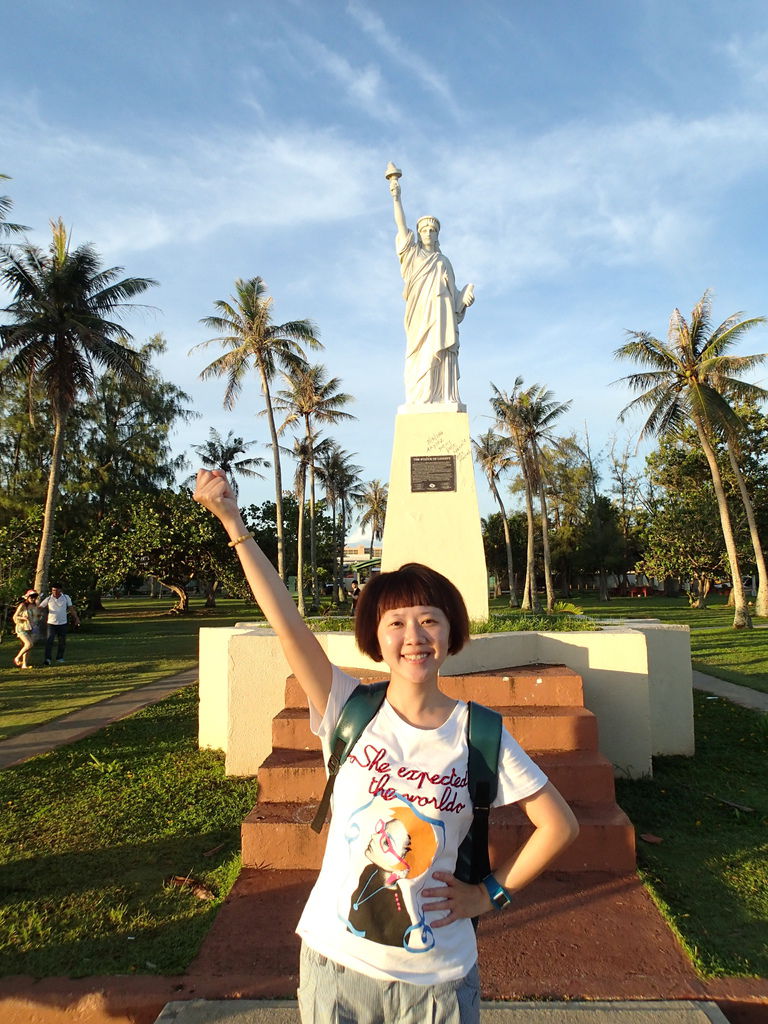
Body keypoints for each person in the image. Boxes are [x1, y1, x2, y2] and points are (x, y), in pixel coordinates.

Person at [194, 468, 579, 1024]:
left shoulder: (480, 733)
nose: (414, 637)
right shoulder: (347, 707)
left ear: (451, 633)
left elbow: (560, 825)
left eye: (429, 620)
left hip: (439, 981)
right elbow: (286, 624)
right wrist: (234, 523)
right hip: (336, 967)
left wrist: (489, 895)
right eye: (395, 622)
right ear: (376, 636)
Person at [388, 168, 475, 407]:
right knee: (420, 355)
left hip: (441, 315)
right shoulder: (412, 254)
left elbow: (455, 295)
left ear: (437, 235)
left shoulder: (443, 261)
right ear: (418, 234)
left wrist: (464, 297)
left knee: (442, 352)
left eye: (432, 230)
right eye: (424, 230)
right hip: (419, 316)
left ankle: (443, 396)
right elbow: (400, 225)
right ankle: (421, 397)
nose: (427, 233)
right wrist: (396, 198)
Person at [38, 585, 80, 666]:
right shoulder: (49, 598)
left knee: (62, 641)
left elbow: (71, 608)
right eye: (53, 590)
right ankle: (48, 658)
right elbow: (40, 607)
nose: (55, 592)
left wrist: (76, 618)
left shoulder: (66, 597)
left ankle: (59, 657)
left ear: (60, 590)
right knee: (49, 641)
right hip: (51, 623)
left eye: (56, 590)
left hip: (62, 623)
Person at [12, 590, 39, 669]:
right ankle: (17, 658)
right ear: (28, 597)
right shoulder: (22, 605)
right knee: (29, 644)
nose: (33, 599)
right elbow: (14, 617)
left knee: (28, 647)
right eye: (32, 597)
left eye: (35, 597)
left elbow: (35, 616)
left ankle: (24, 664)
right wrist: (22, 618)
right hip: (21, 627)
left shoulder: (34, 606)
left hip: (30, 627)